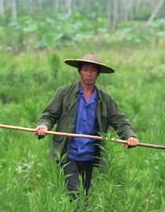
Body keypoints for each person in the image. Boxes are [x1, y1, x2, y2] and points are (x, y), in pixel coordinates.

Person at [35, 53, 139, 199]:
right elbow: (49, 115)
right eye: (85, 70)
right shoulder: (64, 93)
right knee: (75, 192)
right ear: (80, 71)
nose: (89, 74)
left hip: (90, 154)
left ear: (98, 74)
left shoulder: (104, 99)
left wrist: (130, 136)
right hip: (68, 152)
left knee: (85, 194)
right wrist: (44, 126)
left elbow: (120, 120)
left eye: (93, 70)